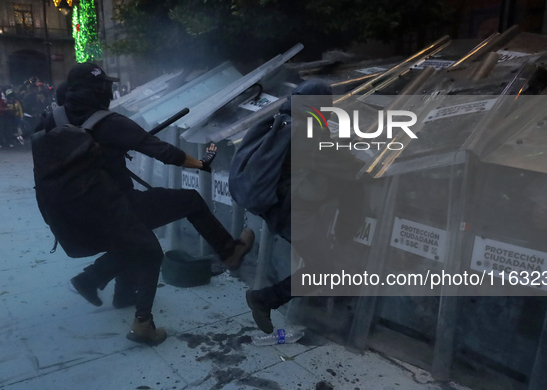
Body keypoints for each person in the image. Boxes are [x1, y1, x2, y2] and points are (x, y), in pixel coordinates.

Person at [35, 62, 254, 346]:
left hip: (72, 217)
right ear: (100, 91)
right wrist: (201, 162)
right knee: (157, 237)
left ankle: (105, 286)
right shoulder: (109, 122)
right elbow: (164, 152)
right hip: (114, 208)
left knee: (132, 238)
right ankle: (145, 323)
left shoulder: (50, 120)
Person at [229, 80, 365, 333]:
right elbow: (351, 168)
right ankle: (263, 299)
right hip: (292, 213)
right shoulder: (308, 133)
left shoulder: (283, 120)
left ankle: (268, 297)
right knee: (323, 269)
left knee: (320, 264)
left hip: (275, 205)